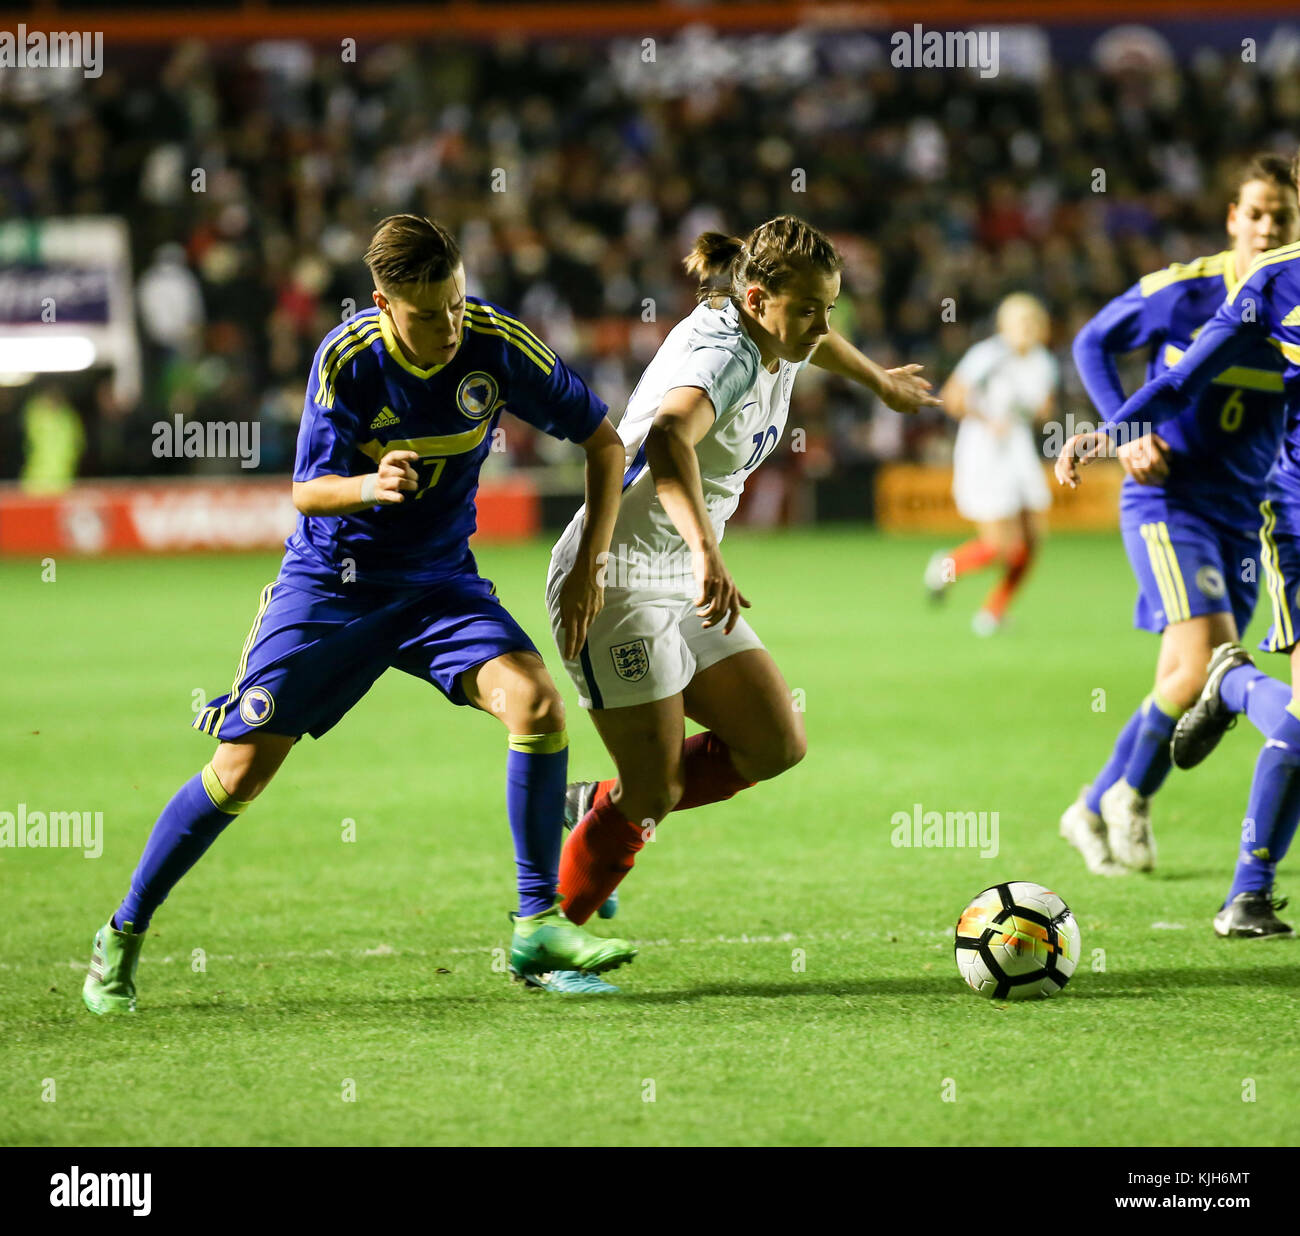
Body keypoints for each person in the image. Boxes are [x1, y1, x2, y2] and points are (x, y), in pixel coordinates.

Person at [83, 214, 635, 1014]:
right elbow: (306, 489)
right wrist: (369, 486)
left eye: (454, 301)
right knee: (241, 772)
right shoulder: (347, 360)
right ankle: (122, 933)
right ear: (382, 303)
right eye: (425, 313)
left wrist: (591, 567)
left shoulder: (497, 343)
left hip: (438, 586)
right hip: (331, 588)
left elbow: (605, 443)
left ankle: (535, 923)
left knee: (538, 704)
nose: (448, 325)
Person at [538, 215, 940, 992]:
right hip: (616, 574)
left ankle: (598, 803)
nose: (825, 326)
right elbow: (661, 439)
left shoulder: (774, 328)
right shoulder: (723, 354)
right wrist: (705, 550)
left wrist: (881, 380)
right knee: (655, 790)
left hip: (683, 571)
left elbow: (817, 343)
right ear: (757, 297)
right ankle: (550, 943)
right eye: (812, 310)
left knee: (773, 743)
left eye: (831, 306)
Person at [1057, 151, 1300, 936]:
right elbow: (1097, 342)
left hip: (1246, 508)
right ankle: (1142, 803)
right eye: (1256, 212)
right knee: (1199, 663)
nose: (1268, 226)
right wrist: (1120, 433)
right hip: (1168, 497)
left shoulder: (1276, 304)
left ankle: (1103, 800)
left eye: (1280, 215)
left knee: (1175, 672)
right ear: (1233, 217)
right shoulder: (1193, 293)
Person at [924, 293, 1058, 636]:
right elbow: (953, 398)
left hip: (1018, 449)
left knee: (1032, 539)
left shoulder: (1044, 362)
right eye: (1020, 322)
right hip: (984, 449)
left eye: (1033, 323)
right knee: (999, 546)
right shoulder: (987, 356)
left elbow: (1043, 410)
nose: (1027, 329)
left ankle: (993, 612)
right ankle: (947, 566)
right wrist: (988, 419)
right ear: (1004, 326)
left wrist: (1044, 413)